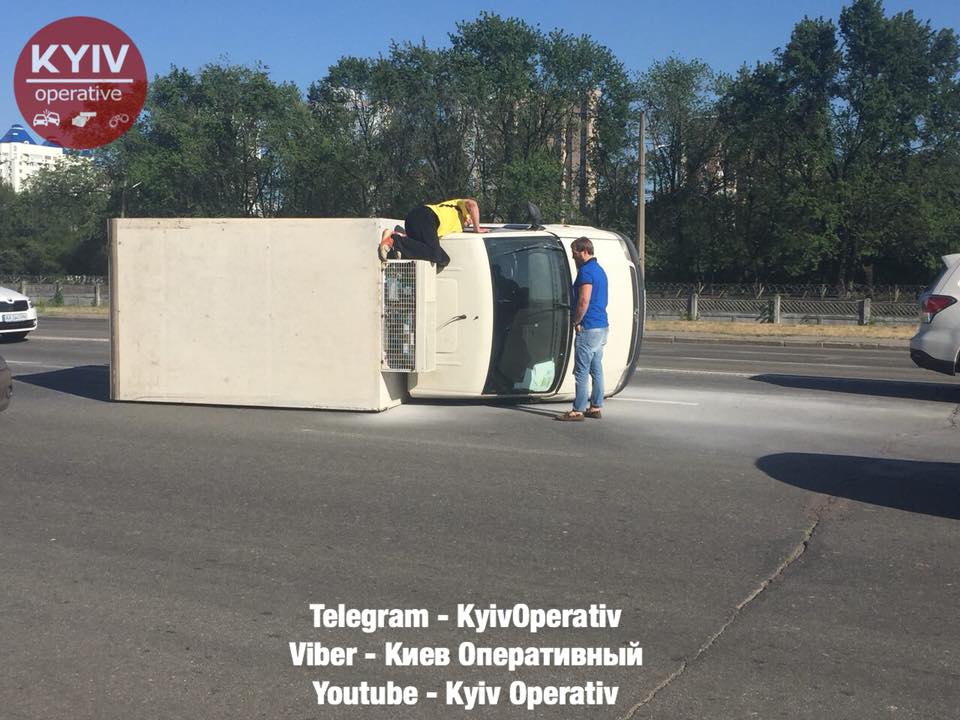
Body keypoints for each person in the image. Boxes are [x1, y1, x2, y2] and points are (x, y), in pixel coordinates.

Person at [555, 237, 609, 421]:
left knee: (581, 370)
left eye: (575, 252)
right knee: (596, 368)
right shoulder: (599, 270)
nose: (573, 256)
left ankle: (578, 410)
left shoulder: (586, 272)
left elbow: (584, 300)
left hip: (588, 326)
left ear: (584, 251)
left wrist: (576, 320)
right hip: (601, 326)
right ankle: (595, 407)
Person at [378, 198, 487, 267]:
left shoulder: (458, 227)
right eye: (470, 218)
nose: (469, 221)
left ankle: (400, 240)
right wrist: (476, 228)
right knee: (435, 254)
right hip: (426, 215)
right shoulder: (459, 206)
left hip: (418, 224)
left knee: (444, 259)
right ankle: (394, 239)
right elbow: (472, 205)